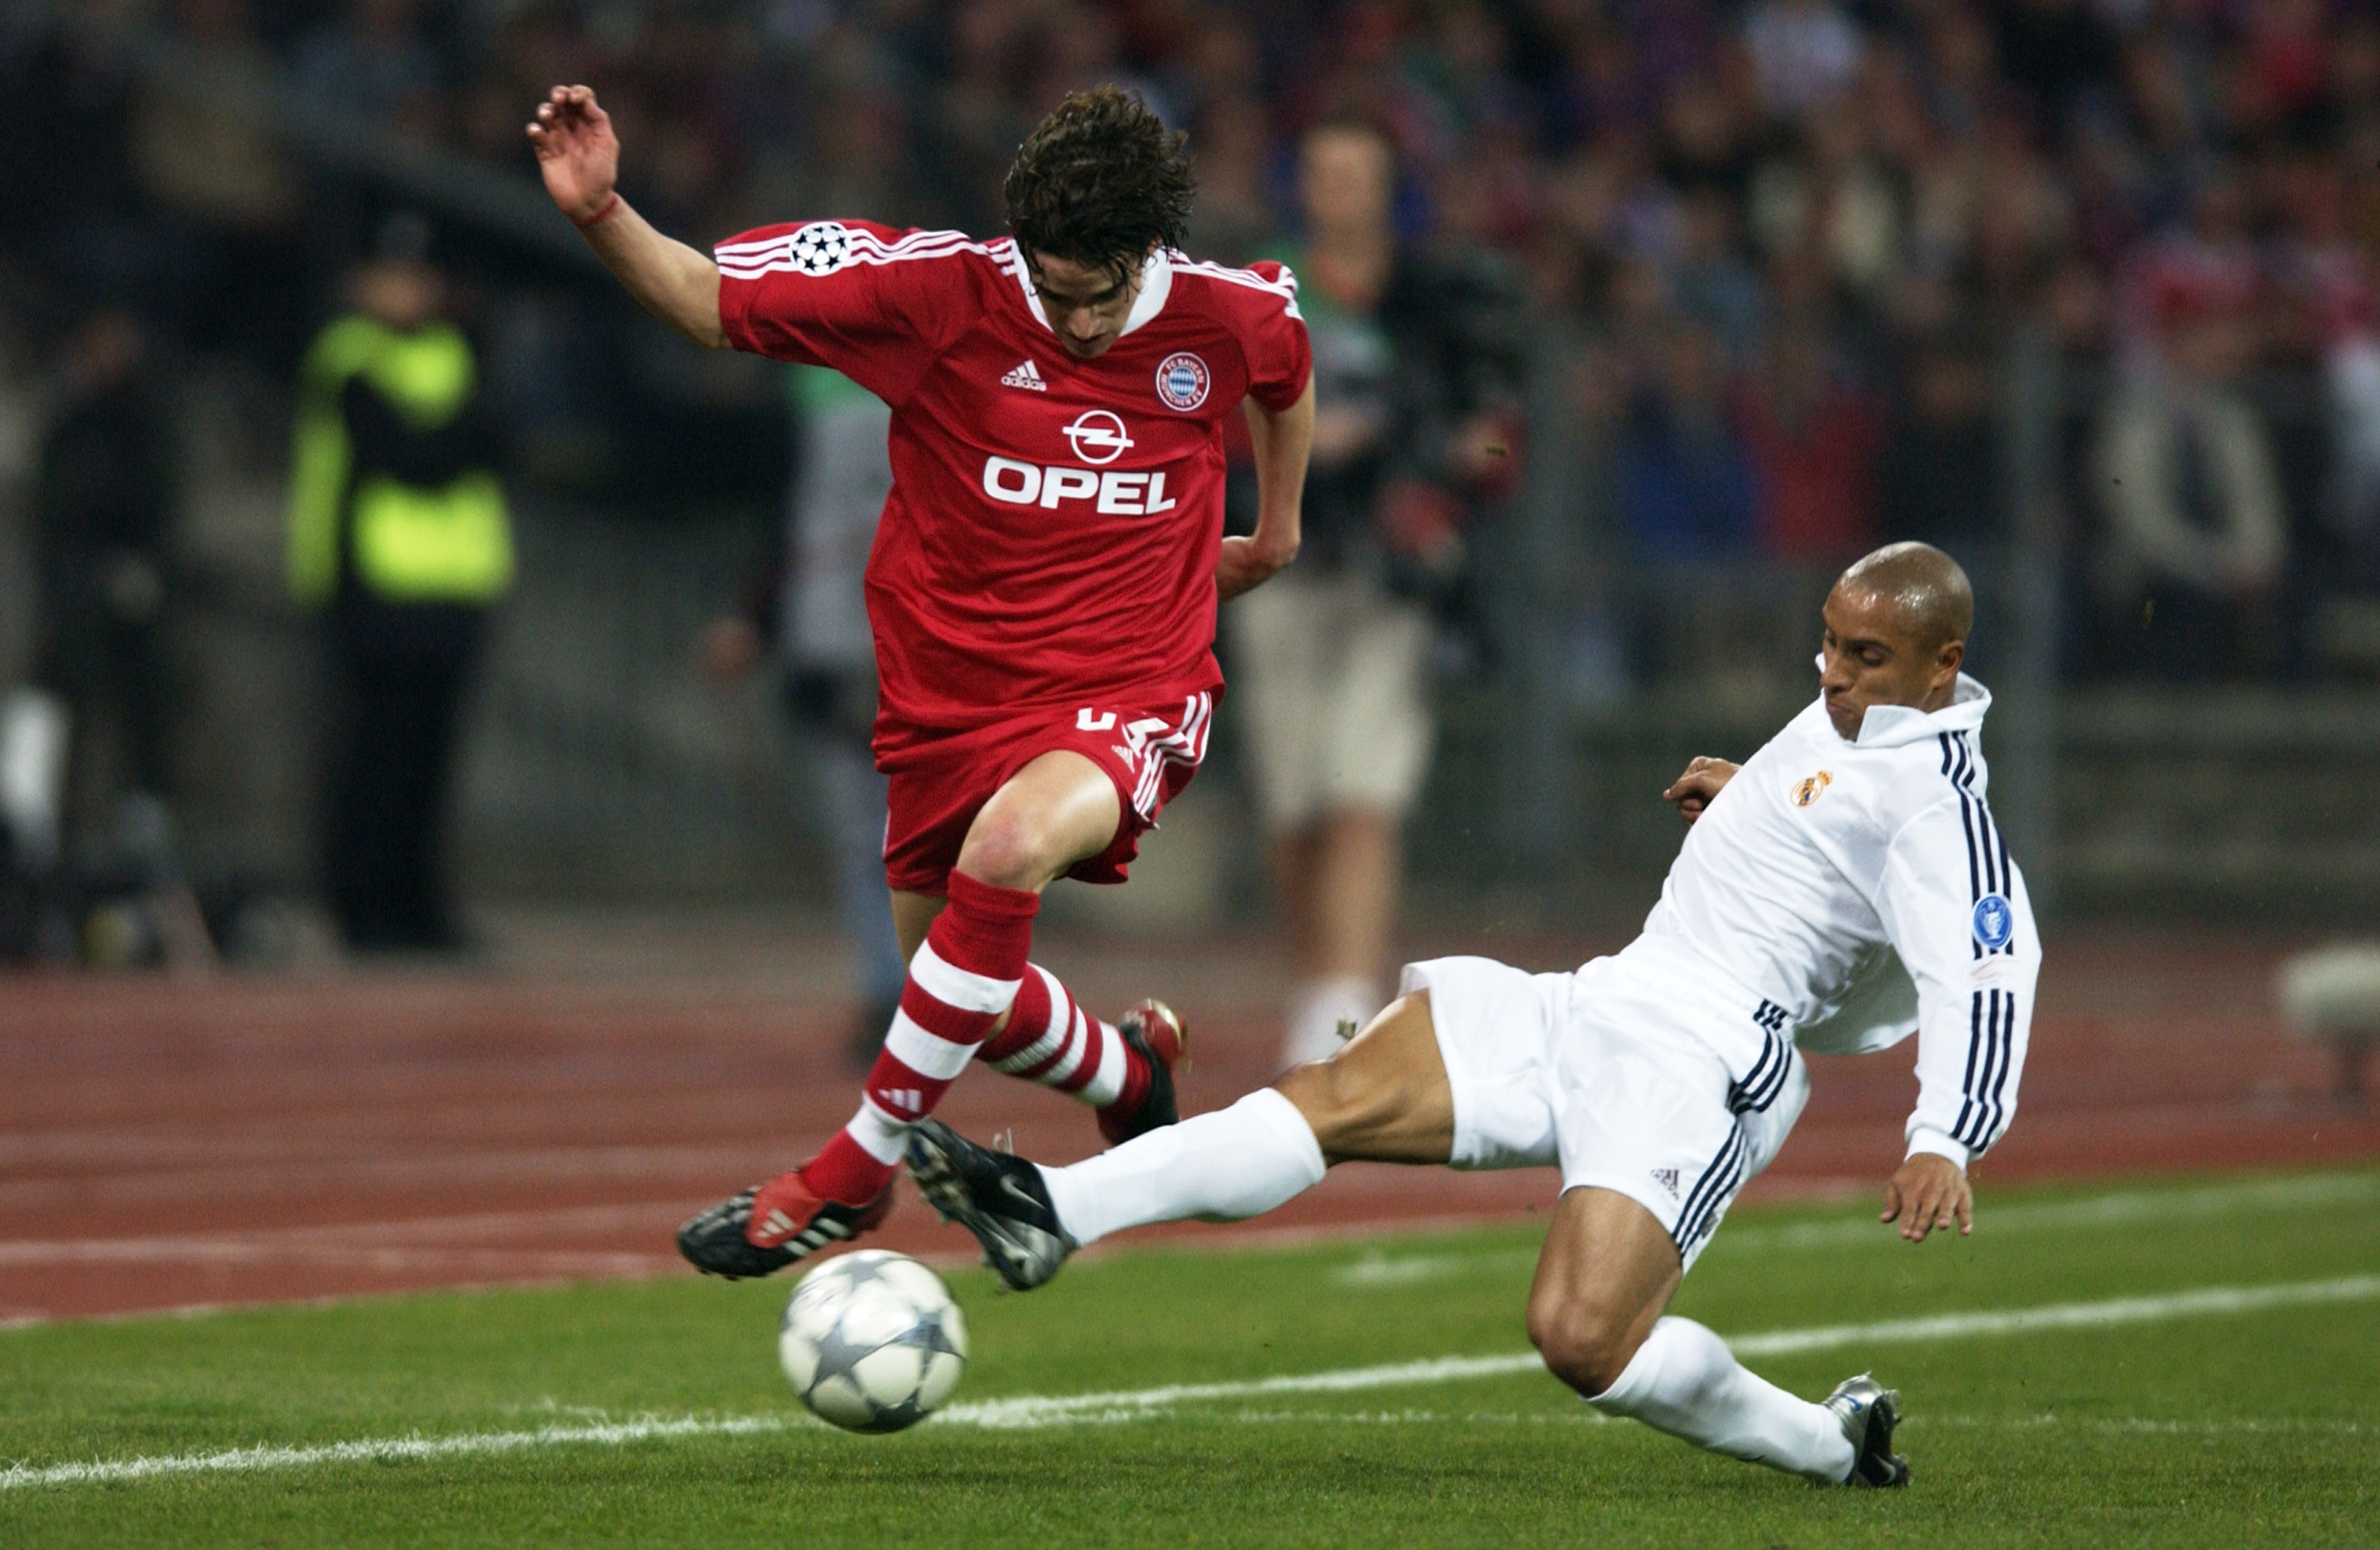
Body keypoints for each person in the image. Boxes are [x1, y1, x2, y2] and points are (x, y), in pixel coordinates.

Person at [908, 542, 2037, 1490]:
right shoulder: (1860, 724)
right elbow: (1829, 836)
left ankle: (1831, 1446)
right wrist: (1752, 796)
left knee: (1584, 1340)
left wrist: (1946, 1135)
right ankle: (1052, 1210)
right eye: (1830, 642)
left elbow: (1988, 969)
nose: (1835, 672)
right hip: (1604, 994)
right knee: (1327, 1098)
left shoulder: (1941, 808)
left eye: (1866, 655)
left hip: (1703, 1061)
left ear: (1946, 666)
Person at [527, 83, 1314, 1277]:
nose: (1072, 317)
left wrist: (1276, 533)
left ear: (1150, 253)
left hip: (1135, 687)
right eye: (1049, 287)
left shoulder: (1223, 311)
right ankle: (1126, 1069)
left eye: (1095, 293)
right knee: (961, 993)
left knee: (1002, 863)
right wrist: (601, 213)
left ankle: (855, 1168)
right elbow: (705, 301)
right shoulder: (935, 291)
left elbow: (1287, 368)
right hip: (949, 701)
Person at [1232, 115, 1524, 1065]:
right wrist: (1298, 442)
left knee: (1363, 791)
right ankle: (1314, 983)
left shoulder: (1438, 295)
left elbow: (1496, 438)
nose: (1338, 190)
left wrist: (1447, 476)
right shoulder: (1261, 287)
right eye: (1322, 171)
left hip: (1391, 576)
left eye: (1356, 173)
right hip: (1280, 557)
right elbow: (1205, 414)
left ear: (1386, 187)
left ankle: (1339, 1002)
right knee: (1293, 805)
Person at [287, 214, 513, 952]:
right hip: (372, 587)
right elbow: (413, 456)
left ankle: (419, 907)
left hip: (454, 589)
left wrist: (448, 441)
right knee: (373, 760)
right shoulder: (348, 356)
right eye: (392, 274)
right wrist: (456, 439)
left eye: (419, 276)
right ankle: (363, 906)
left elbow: (494, 438)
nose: (408, 291)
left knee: (428, 763)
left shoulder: (454, 352)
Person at [700, 364, 909, 1068]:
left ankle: (936, 991)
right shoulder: (798, 391)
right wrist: (750, 616)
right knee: (862, 830)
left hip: (926, 633)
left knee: (925, 827)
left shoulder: (954, 365)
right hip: (832, 639)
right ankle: (891, 990)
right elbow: (779, 511)